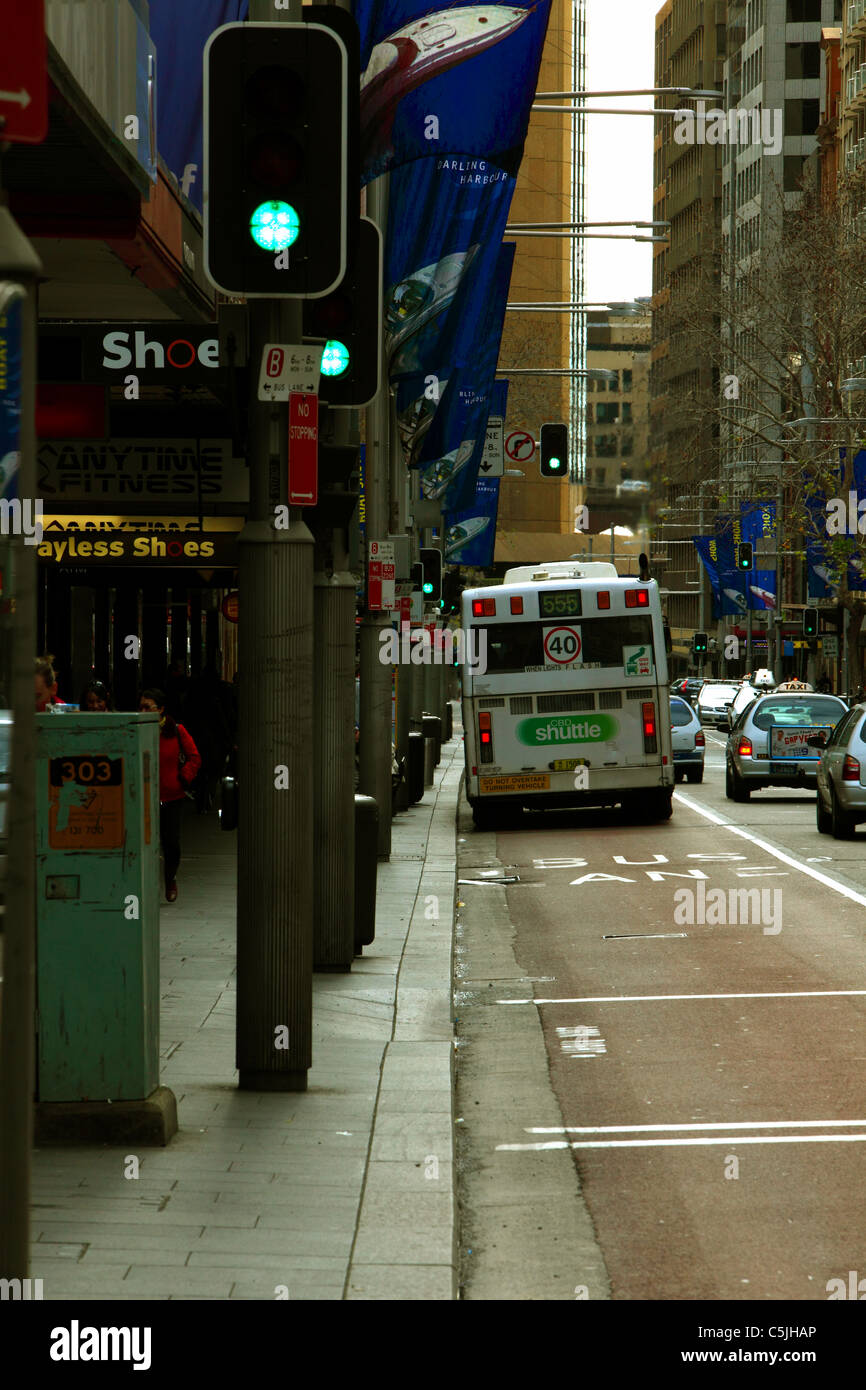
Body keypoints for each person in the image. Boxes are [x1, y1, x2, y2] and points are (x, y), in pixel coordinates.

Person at [139, 688, 201, 902]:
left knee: (171, 842)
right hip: (145, 797)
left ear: (161, 709)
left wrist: (183, 778)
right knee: (145, 842)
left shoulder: (176, 730)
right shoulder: (137, 729)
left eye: (149, 707)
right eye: (141, 707)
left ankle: (170, 877)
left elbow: (194, 757)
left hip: (171, 798)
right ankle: (145, 884)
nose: (144, 711)